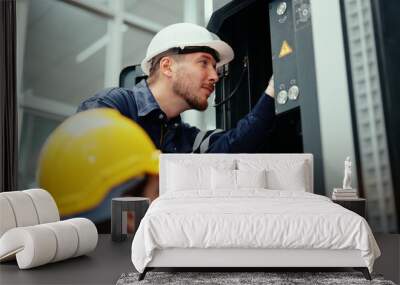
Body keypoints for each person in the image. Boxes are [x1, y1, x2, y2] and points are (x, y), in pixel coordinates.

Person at [78, 22, 276, 154]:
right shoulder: (110, 108)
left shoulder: (185, 139)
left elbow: (236, 144)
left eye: (215, 68)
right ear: (167, 66)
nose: (215, 76)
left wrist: (273, 92)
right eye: (204, 63)